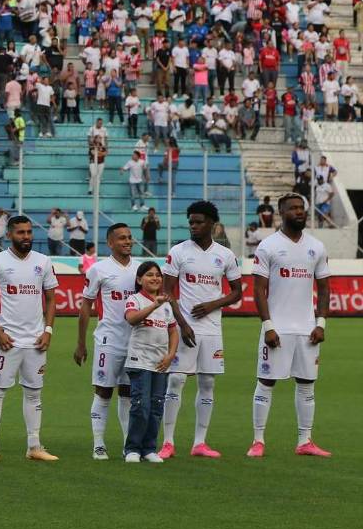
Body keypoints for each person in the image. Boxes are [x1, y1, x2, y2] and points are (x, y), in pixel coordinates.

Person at [250, 193, 331, 458]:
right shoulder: (268, 246)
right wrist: (268, 326)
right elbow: (258, 290)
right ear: (281, 212)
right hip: (278, 328)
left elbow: (324, 288)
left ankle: (305, 441)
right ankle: (258, 440)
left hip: (307, 329)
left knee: (307, 384)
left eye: (301, 208)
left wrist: (320, 323)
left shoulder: (316, 247)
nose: (299, 212)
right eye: (293, 208)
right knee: (266, 382)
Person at [159, 200, 243, 459]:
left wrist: (213, 305)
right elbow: (166, 292)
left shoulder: (225, 255)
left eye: (199, 222)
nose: (193, 226)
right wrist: (182, 324)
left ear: (212, 224)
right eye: (191, 222)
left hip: (212, 329)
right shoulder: (179, 252)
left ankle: (199, 443)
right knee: (176, 379)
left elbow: (237, 292)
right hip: (186, 328)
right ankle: (168, 442)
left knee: (207, 382)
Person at [0, 216, 59, 462]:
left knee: (34, 394)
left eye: (29, 232)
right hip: (8, 341)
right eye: (21, 232)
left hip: (36, 342)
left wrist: (48, 330)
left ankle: (34, 446)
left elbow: (51, 299)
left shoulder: (43, 261)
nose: (26, 236)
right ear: (9, 235)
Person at [74, 223, 141, 460]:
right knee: (103, 391)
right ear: (110, 243)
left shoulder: (141, 269)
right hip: (108, 340)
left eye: (129, 237)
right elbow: (86, 306)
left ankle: (128, 444)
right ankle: (99, 444)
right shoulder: (98, 270)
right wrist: (81, 343)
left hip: (135, 341)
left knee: (128, 393)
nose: (127, 241)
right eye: (122, 238)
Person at [122, 262, 178, 463]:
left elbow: (173, 331)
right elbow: (131, 319)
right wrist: (155, 304)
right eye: (149, 275)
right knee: (141, 406)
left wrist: (171, 355)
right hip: (139, 361)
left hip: (160, 363)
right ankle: (132, 449)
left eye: (157, 275)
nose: (155, 278)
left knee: (156, 406)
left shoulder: (167, 306)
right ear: (139, 280)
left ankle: (149, 449)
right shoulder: (135, 299)